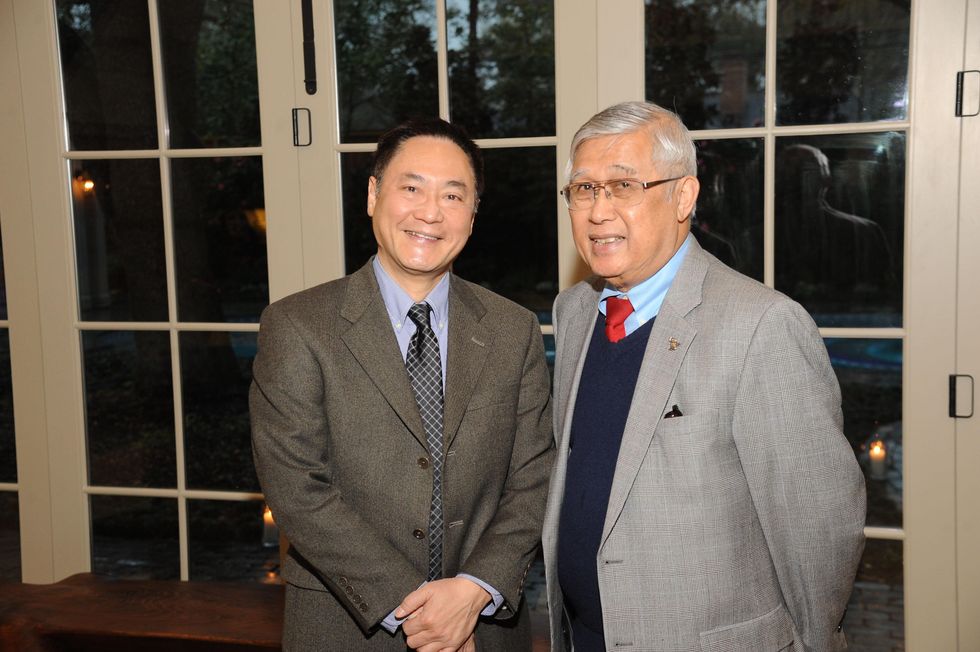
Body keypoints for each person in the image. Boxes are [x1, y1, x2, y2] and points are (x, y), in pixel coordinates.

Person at [541, 101, 866, 651]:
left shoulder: (761, 325)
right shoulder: (572, 312)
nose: (598, 211)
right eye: (583, 189)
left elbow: (819, 529)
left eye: (623, 186)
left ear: (683, 197)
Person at [250, 117, 554, 651]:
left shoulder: (514, 330)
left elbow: (534, 476)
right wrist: (419, 609)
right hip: (343, 627)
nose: (429, 213)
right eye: (411, 188)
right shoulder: (297, 326)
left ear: (473, 214)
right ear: (373, 195)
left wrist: (473, 592)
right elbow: (297, 488)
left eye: (453, 196)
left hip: (481, 628)